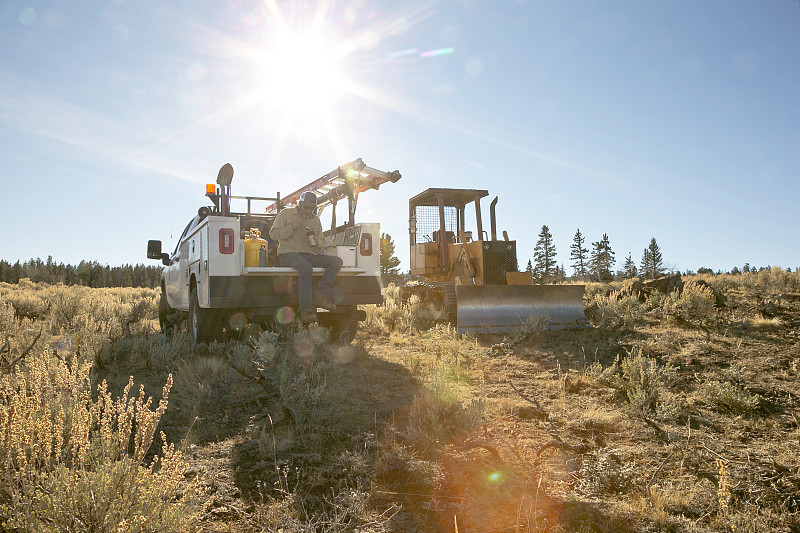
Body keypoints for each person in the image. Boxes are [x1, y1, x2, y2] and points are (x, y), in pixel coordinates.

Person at [269, 191, 342, 323]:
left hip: (307, 254)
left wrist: (315, 240)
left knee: (336, 262)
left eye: (311, 208)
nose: (308, 210)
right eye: (306, 207)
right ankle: (306, 311)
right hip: (287, 254)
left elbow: (320, 242)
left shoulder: (315, 220)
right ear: (300, 204)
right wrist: (291, 227)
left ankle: (321, 295)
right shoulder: (285, 214)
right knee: (306, 267)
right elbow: (273, 234)